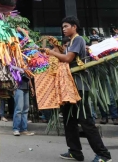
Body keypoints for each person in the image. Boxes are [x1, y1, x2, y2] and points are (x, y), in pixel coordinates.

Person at [46, 16, 112, 162]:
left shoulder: (78, 39)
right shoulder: (70, 42)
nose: (63, 29)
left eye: (66, 26)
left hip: (79, 86)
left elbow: (68, 59)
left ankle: (104, 155)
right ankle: (75, 152)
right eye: (62, 27)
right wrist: (56, 47)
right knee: (69, 120)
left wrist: (50, 52)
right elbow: (65, 56)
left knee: (86, 120)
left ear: (74, 26)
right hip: (69, 86)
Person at [12, 72, 35, 136]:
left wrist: (31, 87)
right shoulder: (17, 62)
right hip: (18, 87)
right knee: (19, 109)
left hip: (26, 87)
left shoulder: (26, 63)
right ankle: (16, 129)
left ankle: (24, 129)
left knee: (25, 109)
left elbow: (29, 75)